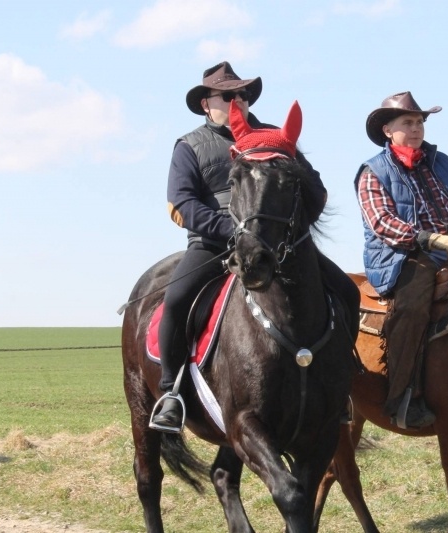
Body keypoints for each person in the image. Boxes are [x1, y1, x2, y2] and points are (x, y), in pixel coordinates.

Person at [151, 61, 359, 432]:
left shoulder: (276, 138)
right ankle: (171, 392)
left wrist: (286, 227)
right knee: (178, 298)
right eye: (228, 95)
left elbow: (315, 190)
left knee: (345, 290)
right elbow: (180, 201)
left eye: (243, 95)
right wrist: (230, 228)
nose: (238, 101)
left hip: (279, 245)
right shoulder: (189, 146)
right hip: (214, 242)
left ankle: (340, 383)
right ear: (206, 104)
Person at [354, 91, 448, 429]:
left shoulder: (442, 163)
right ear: (388, 130)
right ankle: (404, 396)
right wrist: (429, 239)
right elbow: (382, 223)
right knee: (412, 306)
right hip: (402, 256)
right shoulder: (372, 172)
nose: (416, 127)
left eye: (420, 121)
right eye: (407, 122)